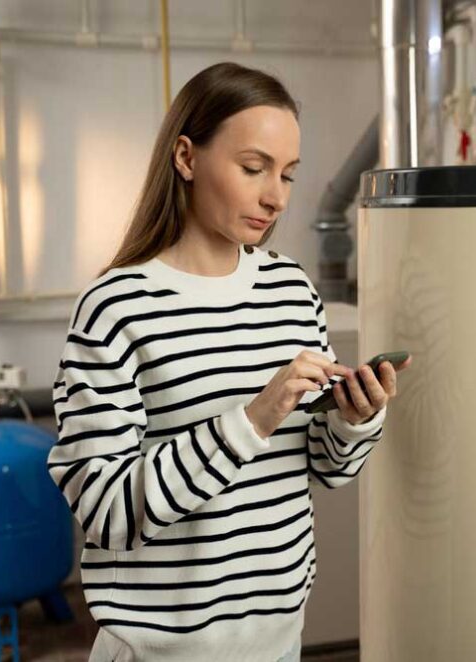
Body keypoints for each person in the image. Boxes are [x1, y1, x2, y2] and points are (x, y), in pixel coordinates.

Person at [48, 62, 411, 662]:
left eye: (289, 175)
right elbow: (106, 510)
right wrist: (251, 421)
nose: (275, 196)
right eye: (253, 168)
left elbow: (323, 467)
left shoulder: (292, 292)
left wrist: (354, 419)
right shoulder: (117, 305)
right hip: (157, 649)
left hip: (277, 639)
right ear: (187, 157)